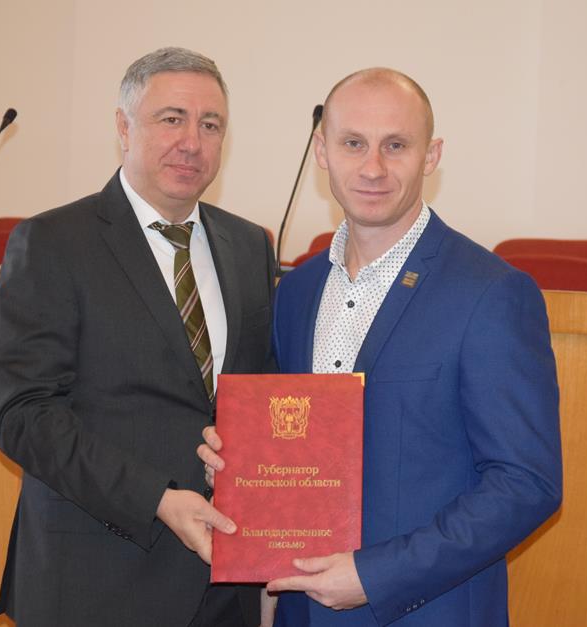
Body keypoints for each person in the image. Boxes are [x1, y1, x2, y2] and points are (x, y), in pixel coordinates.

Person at [200, 68, 563, 626]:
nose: (372, 168)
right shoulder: (295, 293)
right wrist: (236, 467)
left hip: (429, 613)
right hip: (301, 612)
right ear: (321, 151)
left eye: (396, 145)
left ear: (431, 155)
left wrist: (378, 575)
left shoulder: (491, 293)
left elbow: (526, 484)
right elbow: (290, 446)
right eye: (353, 143)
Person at [0, 47, 273, 627]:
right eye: (172, 119)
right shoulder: (52, 243)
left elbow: (257, 398)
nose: (191, 142)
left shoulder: (250, 247)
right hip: (97, 580)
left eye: (210, 124)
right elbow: (24, 415)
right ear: (123, 127)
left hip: (225, 584)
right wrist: (157, 498)